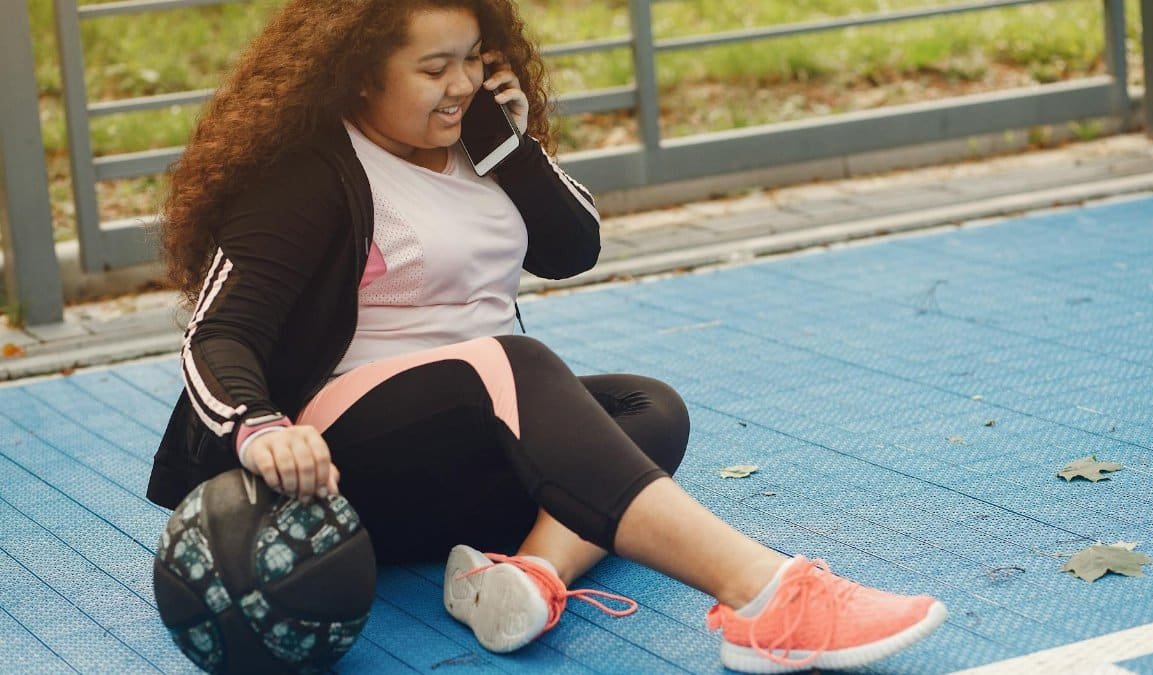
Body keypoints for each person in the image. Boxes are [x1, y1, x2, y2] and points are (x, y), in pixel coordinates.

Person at [146, 0, 947, 671]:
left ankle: (526, 577)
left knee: (650, 408)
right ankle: (769, 594)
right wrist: (257, 429)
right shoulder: (310, 172)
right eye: (433, 69)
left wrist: (510, 148)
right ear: (356, 73)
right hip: (344, 461)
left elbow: (574, 248)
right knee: (517, 362)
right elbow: (216, 335)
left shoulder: (475, 144)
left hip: (462, 448)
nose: (460, 84)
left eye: (470, 60)